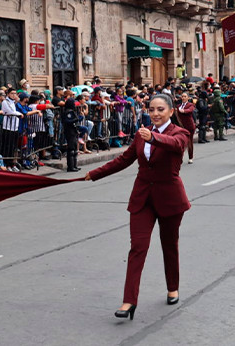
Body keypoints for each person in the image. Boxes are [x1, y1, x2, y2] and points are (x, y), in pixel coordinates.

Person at [84, 94, 190, 320]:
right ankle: (129, 301)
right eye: (151, 109)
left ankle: (173, 286)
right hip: (142, 198)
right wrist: (93, 174)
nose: (155, 114)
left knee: (169, 245)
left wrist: (153, 137)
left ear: (171, 111)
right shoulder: (142, 134)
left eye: (161, 109)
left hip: (170, 198)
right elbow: (123, 160)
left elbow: (175, 145)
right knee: (137, 248)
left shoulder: (179, 133)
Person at [176, 92, 196, 164]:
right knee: (181, 142)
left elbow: (190, 110)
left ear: (188, 98)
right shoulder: (178, 106)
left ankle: (190, 157)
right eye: (182, 96)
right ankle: (179, 158)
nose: (183, 98)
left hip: (189, 126)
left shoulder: (190, 105)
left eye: (185, 96)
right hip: (181, 127)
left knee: (189, 142)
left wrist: (184, 111)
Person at [62, 97, 81, 172]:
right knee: (71, 149)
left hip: (74, 130)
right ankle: (70, 166)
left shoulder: (72, 111)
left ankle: (74, 165)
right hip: (69, 131)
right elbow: (67, 121)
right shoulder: (68, 112)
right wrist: (76, 119)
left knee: (75, 149)